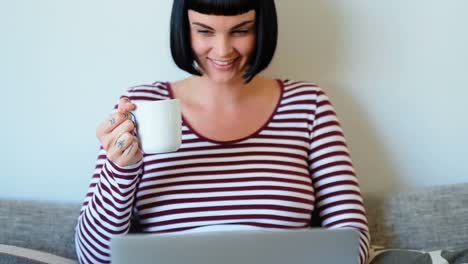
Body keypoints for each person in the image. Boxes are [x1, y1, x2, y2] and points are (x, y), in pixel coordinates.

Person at [75, 0, 371, 263]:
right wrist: (120, 170)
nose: (223, 50)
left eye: (241, 30)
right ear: (183, 28)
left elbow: (352, 242)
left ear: (262, 27)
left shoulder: (308, 104)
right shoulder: (144, 106)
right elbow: (95, 256)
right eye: (204, 31)